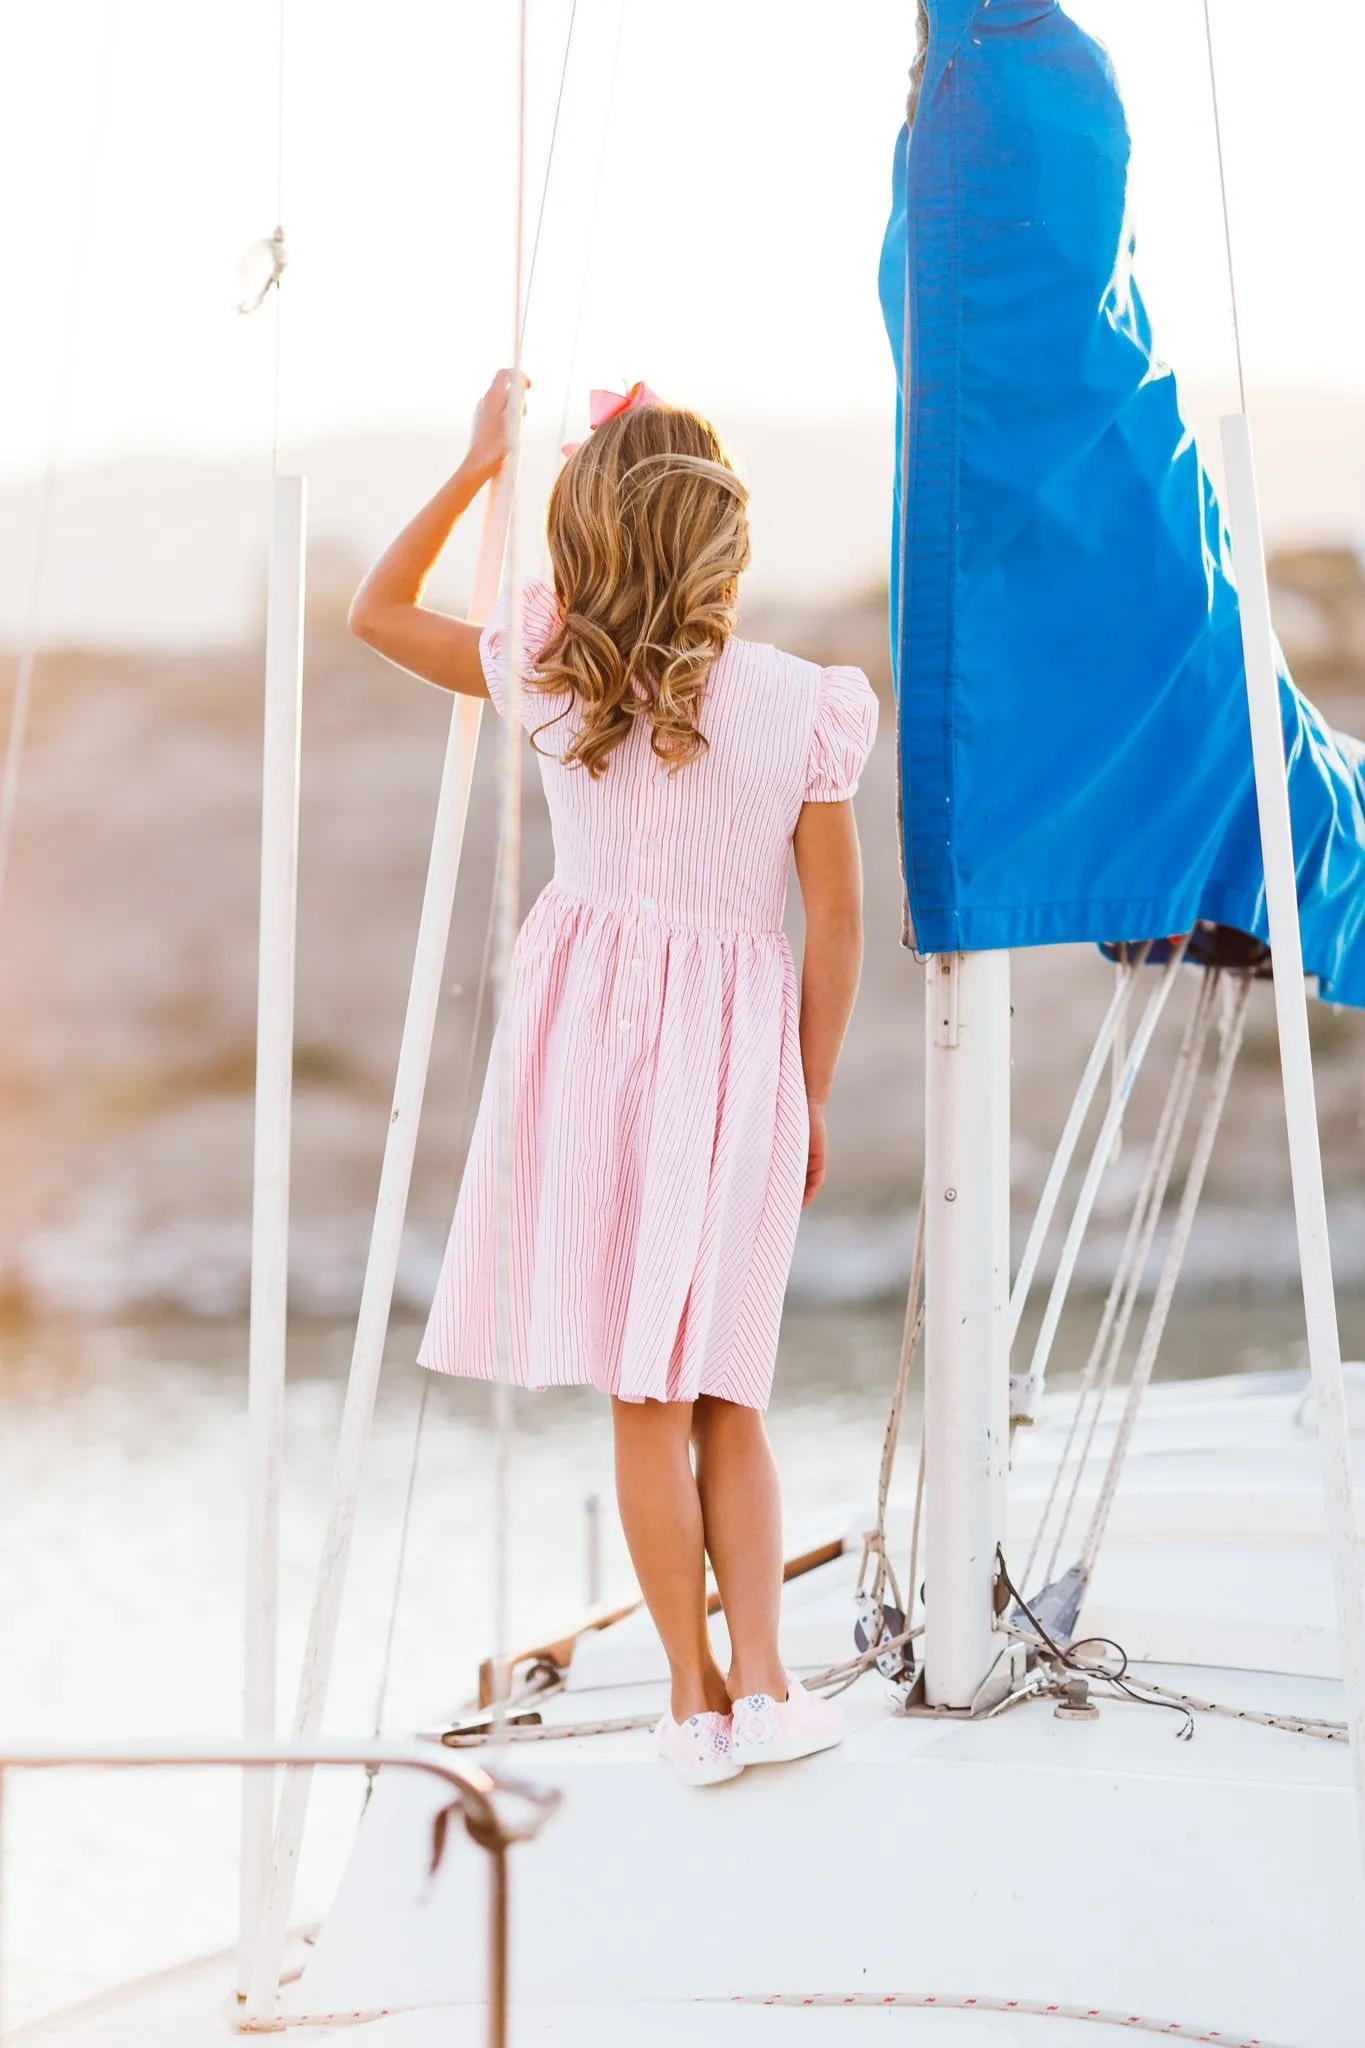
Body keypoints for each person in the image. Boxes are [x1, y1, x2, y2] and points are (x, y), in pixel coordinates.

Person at [349, 370, 877, 1786]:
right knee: (730, 1392)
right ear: (725, 539)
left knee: (644, 1397)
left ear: (585, 527)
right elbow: (831, 920)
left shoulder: (552, 670)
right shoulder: (797, 708)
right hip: (737, 1060)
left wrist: (475, 468)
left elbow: (375, 612)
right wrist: (810, 1089)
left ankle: (692, 1711)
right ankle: (766, 1690)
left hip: (587, 1046)